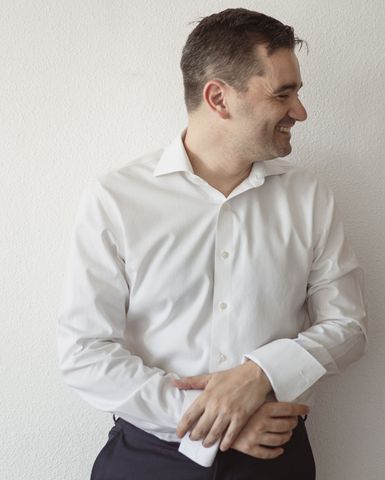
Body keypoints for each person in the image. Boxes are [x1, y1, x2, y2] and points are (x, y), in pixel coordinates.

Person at [57, 8, 367, 480]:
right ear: (218, 98)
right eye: (283, 94)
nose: (300, 112)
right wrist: (214, 419)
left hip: (275, 459)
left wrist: (259, 373)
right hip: (149, 460)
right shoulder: (116, 199)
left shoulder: (310, 198)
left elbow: (348, 327)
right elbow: (85, 351)